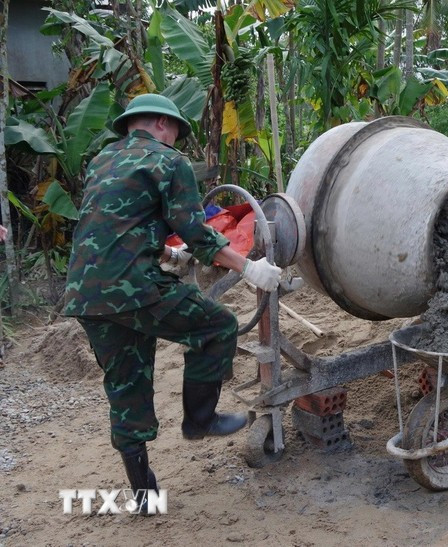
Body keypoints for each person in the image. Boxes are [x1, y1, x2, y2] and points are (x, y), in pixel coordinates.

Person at [63, 94, 282, 511]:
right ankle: (200, 420)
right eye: (178, 132)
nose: (177, 140)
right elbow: (199, 235)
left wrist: (169, 257)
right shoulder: (168, 160)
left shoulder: (102, 161)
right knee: (217, 326)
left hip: (85, 294)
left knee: (126, 383)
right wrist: (248, 268)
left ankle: (144, 494)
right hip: (134, 289)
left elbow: (117, 228)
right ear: (164, 124)